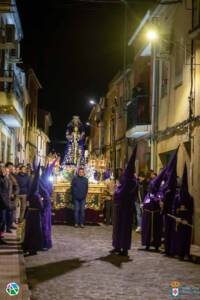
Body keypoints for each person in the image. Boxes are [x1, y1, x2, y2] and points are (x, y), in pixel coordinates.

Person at [111, 147, 138, 257]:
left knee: (123, 229)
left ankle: (123, 248)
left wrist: (117, 191)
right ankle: (118, 246)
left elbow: (119, 192)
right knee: (120, 228)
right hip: (124, 208)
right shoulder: (131, 181)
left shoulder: (129, 181)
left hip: (125, 208)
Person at [23, 164, 43, 255]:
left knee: (29, 231)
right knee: (34, 231)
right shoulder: (35, 195)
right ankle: (32, 248)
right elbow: (40, 206)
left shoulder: (32, 193)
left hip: (31, 213)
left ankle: (28, 247)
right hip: (35, 215)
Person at [5, 162, 19, 230]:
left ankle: (10, 224)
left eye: (12, 167)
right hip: (7, 197)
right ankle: (8, 226)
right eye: (10, 167)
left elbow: (16, 186)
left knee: (12, 211)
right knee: (7, 213)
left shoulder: (13, 176)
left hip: (12, 196)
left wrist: (15, 193)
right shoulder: (6, 176)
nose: (11, 168)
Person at [0, 163, 10, 244]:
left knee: (3, 220)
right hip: (1, 203)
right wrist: (5, 202)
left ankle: (1, 236)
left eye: (3, 169)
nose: (3, 170)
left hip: (4, 202)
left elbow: (6, 191)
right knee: (1, 220)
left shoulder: (4, 178)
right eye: (1, 169)